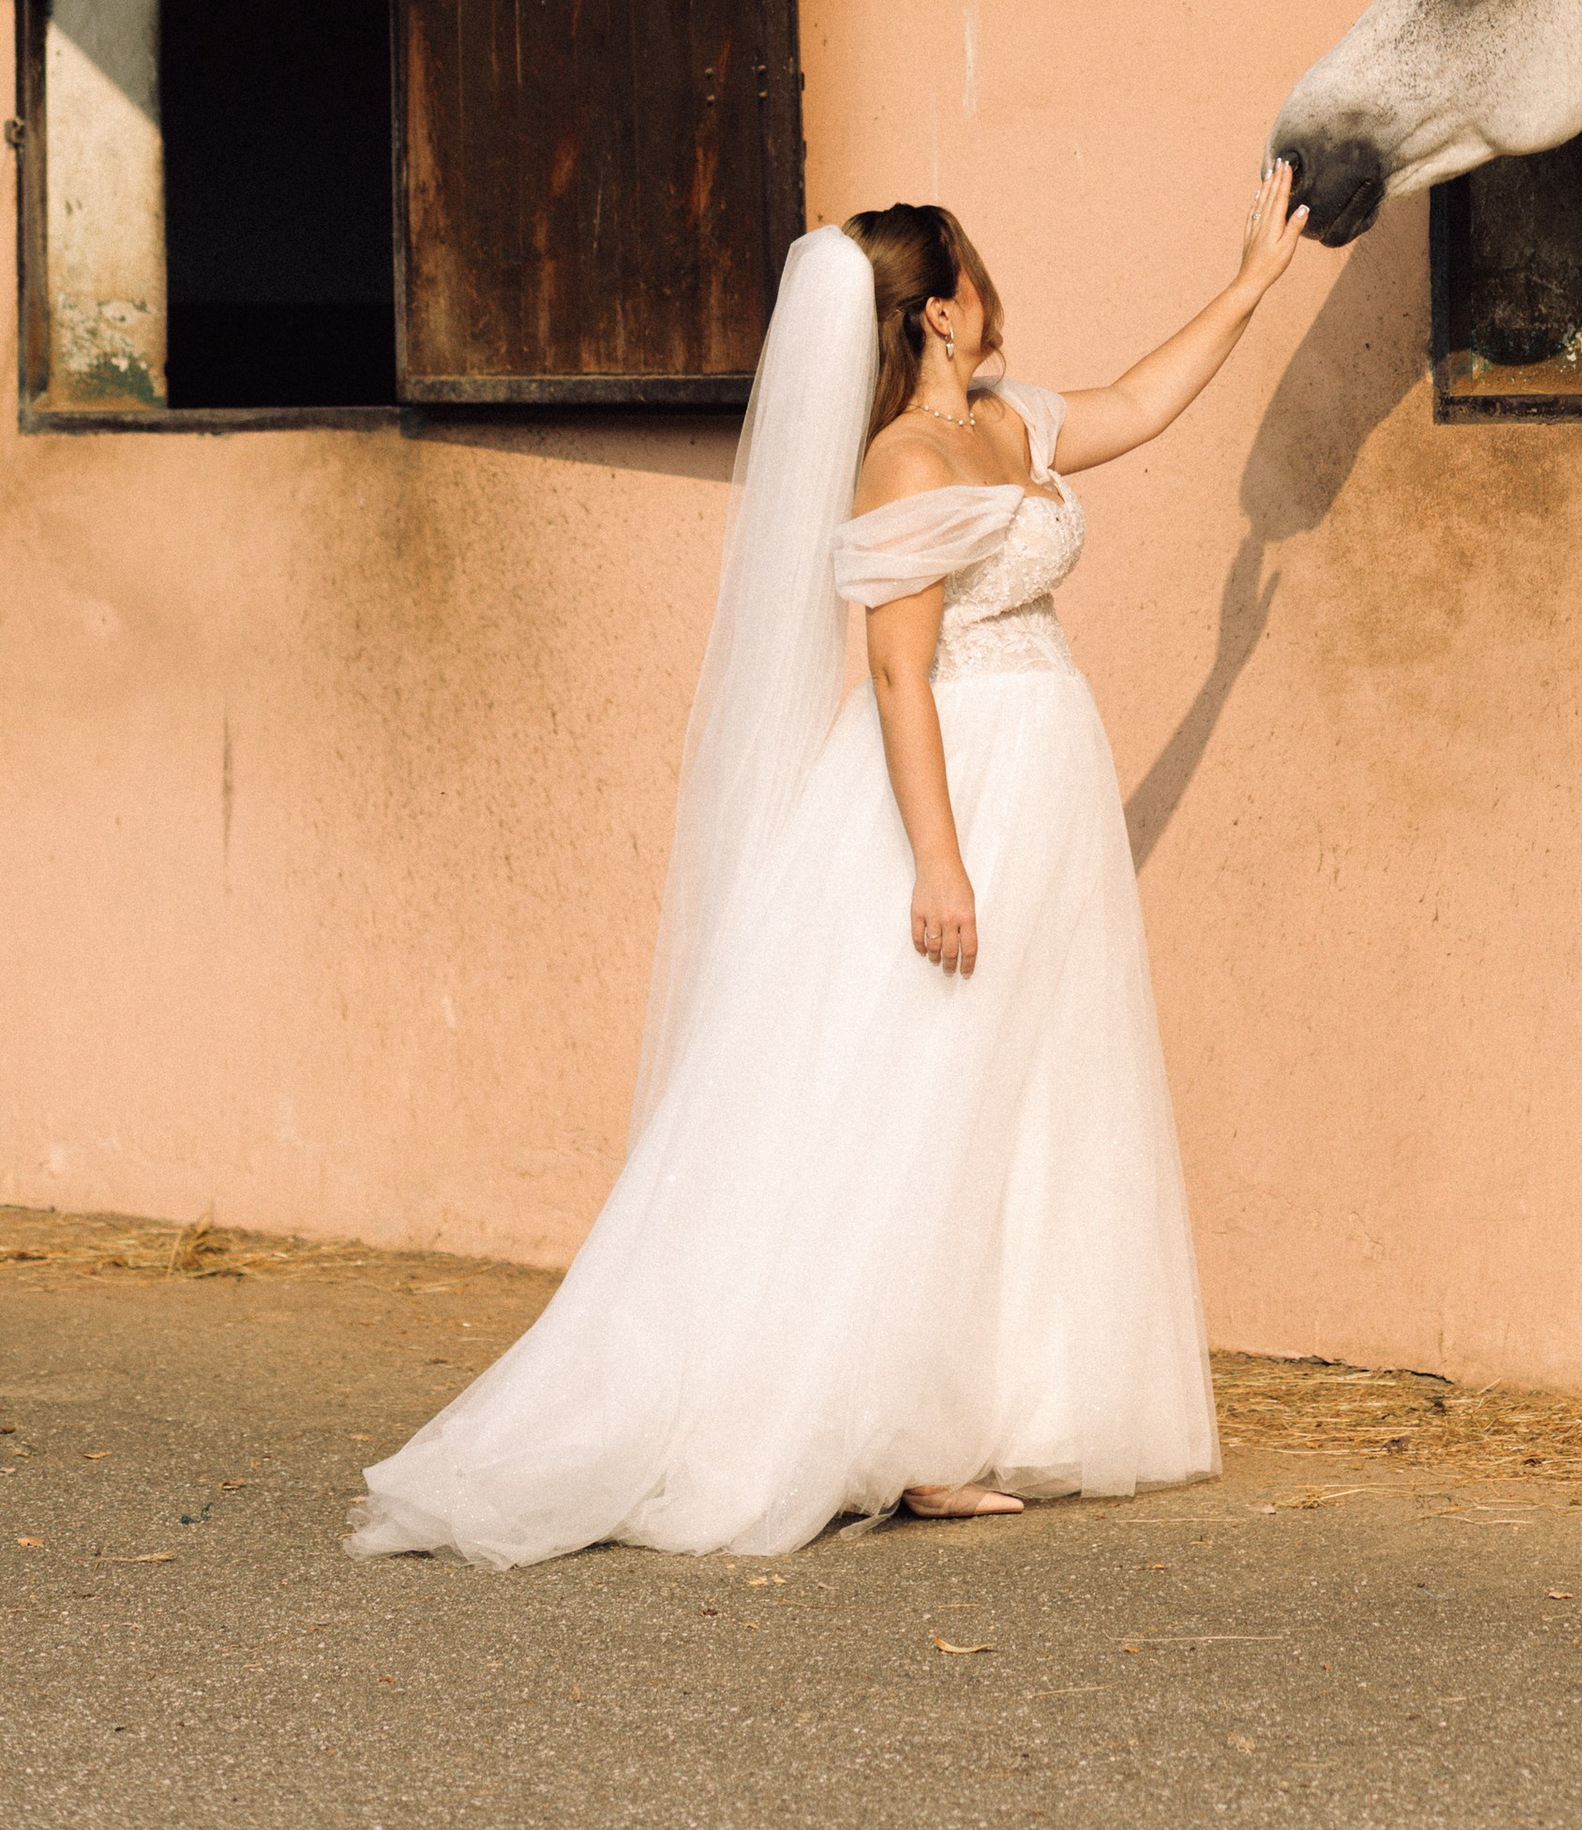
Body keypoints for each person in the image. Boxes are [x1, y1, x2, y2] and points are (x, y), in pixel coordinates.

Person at [349, 164, 1309, 1566]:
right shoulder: (906, 465)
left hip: (1045, 785)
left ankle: (978, 1402)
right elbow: (901, 678)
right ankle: (891, 1432)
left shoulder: (1007, 424)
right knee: (918, 1089)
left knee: (1019, 1087)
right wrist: (939, 862)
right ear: (937, 312)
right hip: (958, 787)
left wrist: (1250, 282)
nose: (996, 291)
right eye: (975, 274)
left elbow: (1141, 401)